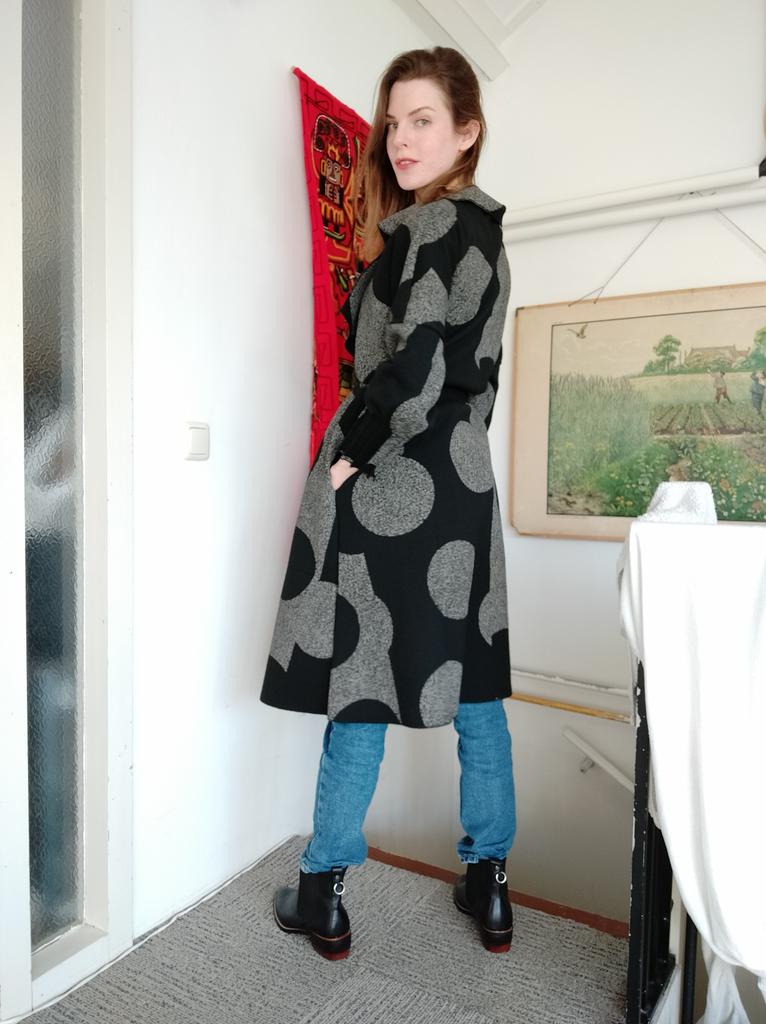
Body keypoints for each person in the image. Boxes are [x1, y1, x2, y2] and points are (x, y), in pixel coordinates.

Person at [261, 46, 516, 961]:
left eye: (423, 121)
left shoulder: (431, 229)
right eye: (393, 121)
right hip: (463, 480)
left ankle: (323, 891)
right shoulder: (485, 236)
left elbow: (415, 366)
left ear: (466, 131)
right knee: (475, 686)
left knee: (362, 683)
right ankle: (490, 885)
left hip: (397, 480)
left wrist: (350, 456)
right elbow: (470, 375)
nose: (401, 139)